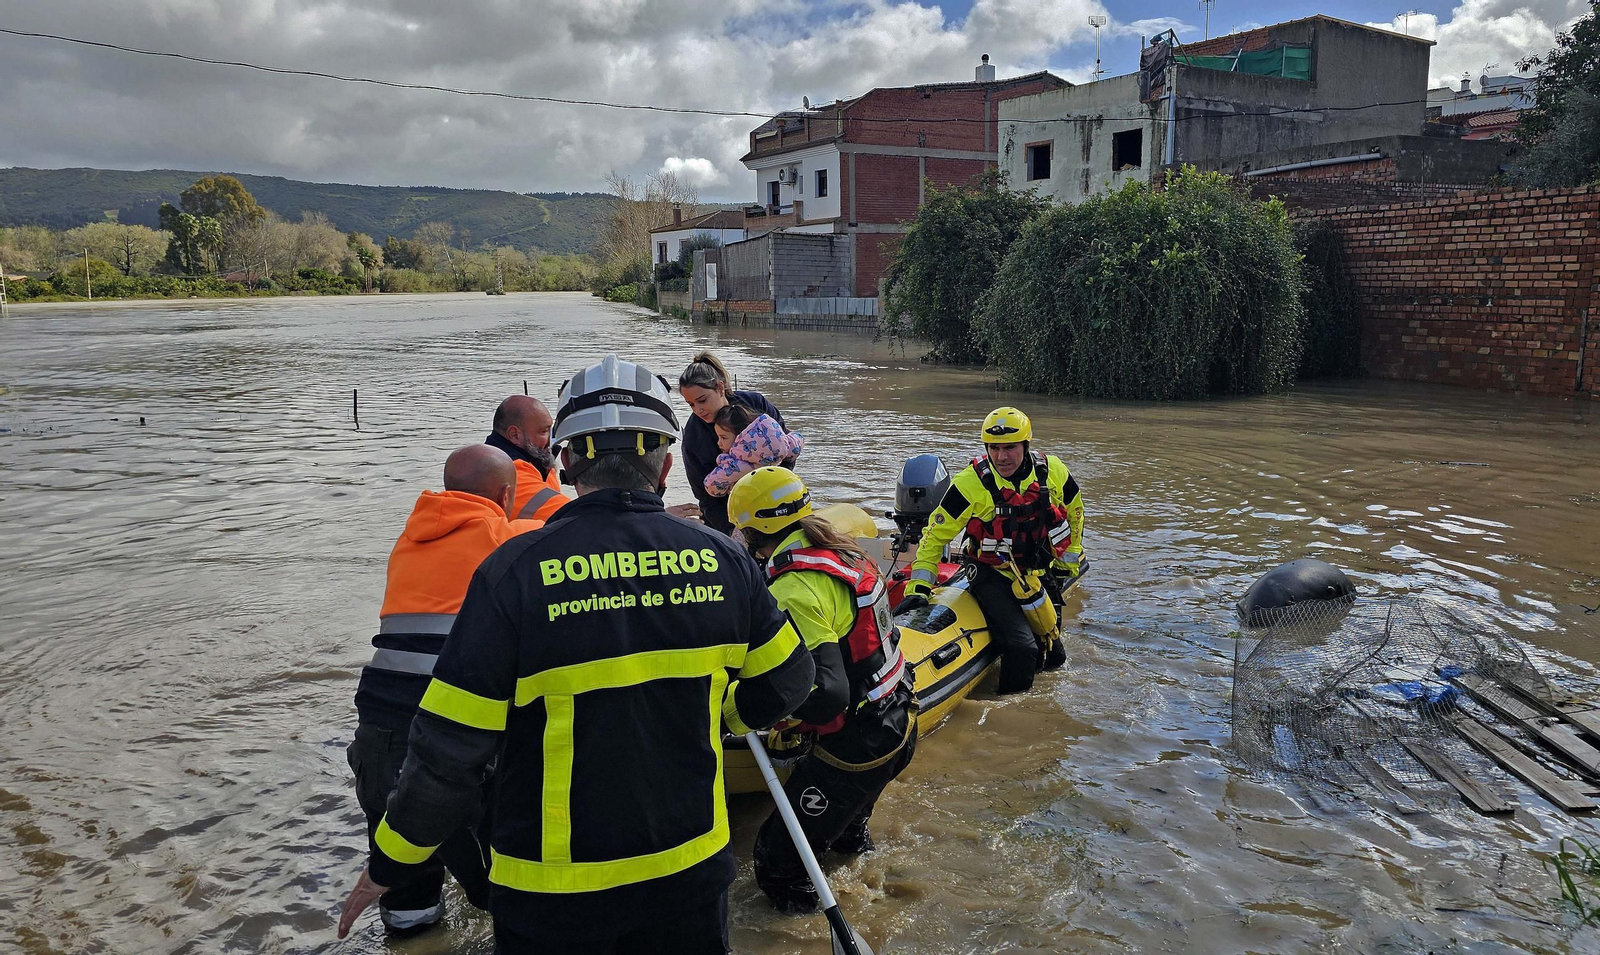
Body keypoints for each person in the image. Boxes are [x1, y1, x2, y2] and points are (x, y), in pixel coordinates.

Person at [338, 355, 815, 955]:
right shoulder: (725, 561)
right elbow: (792, 682)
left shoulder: (511, 572)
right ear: (666, 464)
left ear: (566, 461)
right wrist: (722, 711)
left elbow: (447, 753)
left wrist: (389, 863)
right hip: (688, 873)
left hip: (551, 893)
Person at [348, 443, 533, 935]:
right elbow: (578, 539)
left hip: (378, 731)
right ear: (505, 494)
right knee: (503, 885)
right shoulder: (504, 536)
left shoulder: (409, 537)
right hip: (451, 736)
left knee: (402, 883)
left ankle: (411, 937)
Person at [727, 466, 917, 914]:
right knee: (846, 834)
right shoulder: (844, 552)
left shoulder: (794, 586)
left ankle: (801, 934)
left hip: (859, 747)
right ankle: (874, 900)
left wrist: (741, 712)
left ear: (757, 532)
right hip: (897, 722)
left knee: (776, 864)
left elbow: (825, 693)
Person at [895, 407, 1084, 695]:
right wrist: (919, 586)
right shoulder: (969, 484)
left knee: (1054, 654)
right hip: (990, 573)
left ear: (1026, 445)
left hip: (1036, 570)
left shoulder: (1054, 471)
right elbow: (935, 536)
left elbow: (1076, 513)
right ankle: (1010, 715)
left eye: (1010, 448)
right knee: (1022, 648)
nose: (1001, 457)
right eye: (994, 448)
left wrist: (1067, 563)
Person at [678, 351, 784, 535]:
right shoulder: (693, 438)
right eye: (691, 404)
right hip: (728, 519)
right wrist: (733, 534)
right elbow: (705, 497)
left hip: (777, 500)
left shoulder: (755, 403)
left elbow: (784, 447)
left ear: (720, 388)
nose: (698, 410)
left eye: (702, 400)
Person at [486, 394, 569, 524]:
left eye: (550, 430)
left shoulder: (539, 461)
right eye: (543, 432)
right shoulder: (511, 474)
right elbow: (574, 519)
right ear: (514, 435)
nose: (552, 439)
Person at [703, 403, 804, 498]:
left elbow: (711, 486)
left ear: (741, 436)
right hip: (783, 495)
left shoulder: (737, 465)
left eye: (723, 438)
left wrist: (724, 460)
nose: (719, 443)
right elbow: (797, 443)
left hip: (754, 505)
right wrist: (791, 435)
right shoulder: (782, 447)